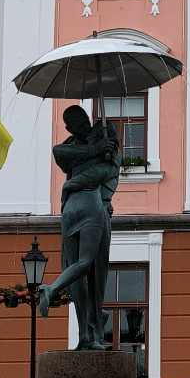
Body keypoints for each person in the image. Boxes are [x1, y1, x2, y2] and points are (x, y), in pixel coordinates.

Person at [37, 105, 120, 348]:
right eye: (78, 125)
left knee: (85, 272)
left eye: (85, 122)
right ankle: (54, 293)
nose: (84, 127)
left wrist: (103, 148)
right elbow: (59, 152)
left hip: (73, 207)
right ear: (69, 128)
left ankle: (87, 335)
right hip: (90, 208)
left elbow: (104, 171)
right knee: (92, 270)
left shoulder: (104, 150)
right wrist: (96, 149)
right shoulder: (81, 147)